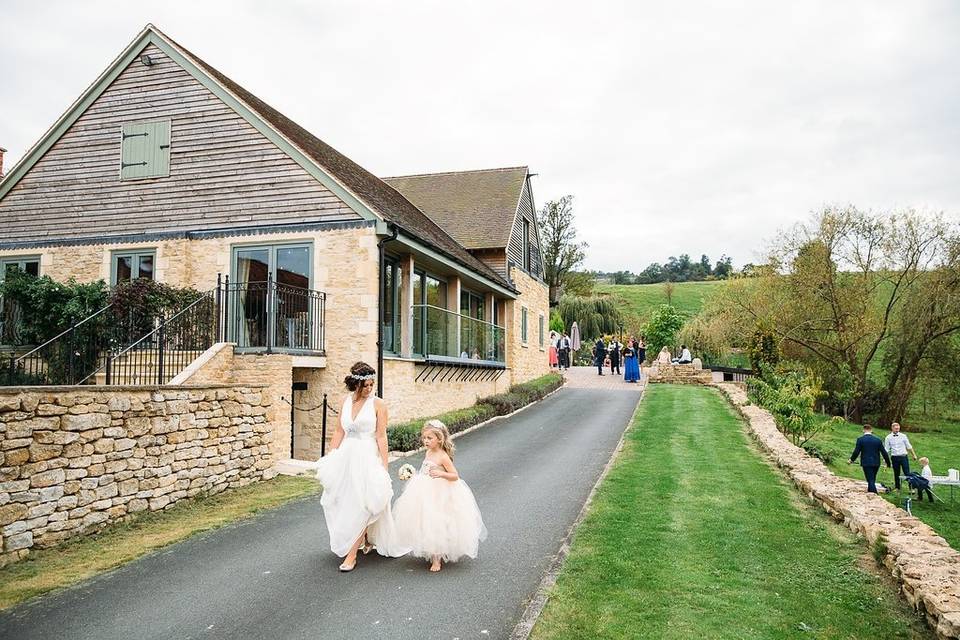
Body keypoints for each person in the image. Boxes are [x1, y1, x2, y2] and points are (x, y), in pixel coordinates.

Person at [315, 362, 409, 571]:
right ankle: (366, 539)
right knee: (343, 500)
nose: (369, 389)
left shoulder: (378, 405)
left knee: (364, 503)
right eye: (366, 385)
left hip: (367, 457)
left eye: (372, 385)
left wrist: (384, 466)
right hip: (346, 457)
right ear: (355, 385)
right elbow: (339, 431)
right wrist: (332, 457)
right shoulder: (345, 402)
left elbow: (381, 436)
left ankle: (351, 555)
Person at [392, 420, 487, 572]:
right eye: (424, 438)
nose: (426, 441)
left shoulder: (443, 456)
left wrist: (441, 473)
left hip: (440, 493)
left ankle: (437, 560)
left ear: (440, 439)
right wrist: (413, 474)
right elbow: (426, 469)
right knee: (424, 521)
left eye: (429, 438)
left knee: (437, 523)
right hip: (423, 490)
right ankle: (430, 550)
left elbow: (455, 475)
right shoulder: (428, 452)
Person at [848, 423, 891, 494]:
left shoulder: (860, 440)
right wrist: (888, 463)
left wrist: (851, 460)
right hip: (876, 463)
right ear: (871, 430)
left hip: (866, 462)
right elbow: (884, 453)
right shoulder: (878, 440)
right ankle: (870, 494)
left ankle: (874, 495)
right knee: (872, 479)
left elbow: (856, 452)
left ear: (863, 430)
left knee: (870, 480)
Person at [884, 422, 918, 491]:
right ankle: (897, 487)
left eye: (898, 428)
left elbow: (909, 446)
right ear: (892, 428)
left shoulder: (903, 436)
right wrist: (885, 460)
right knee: (896, 473)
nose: (897, 430)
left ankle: (911, 488)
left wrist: (914, 455)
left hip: (903, 457)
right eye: (896, 428)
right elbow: (886, 449)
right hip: (894, 457)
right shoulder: (888, 437)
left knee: (907, 472)